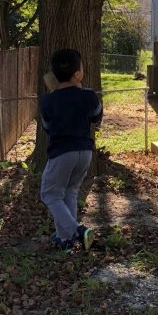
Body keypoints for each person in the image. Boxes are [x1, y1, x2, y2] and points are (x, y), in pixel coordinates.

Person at [39, 49, 103, 251]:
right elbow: (97, 118)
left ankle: (77, 231)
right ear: (78, 74)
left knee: (50, 194)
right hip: (84, 152)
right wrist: (82, 93)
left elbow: (47, 128)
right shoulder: (89, 96)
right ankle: (65, 240)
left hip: (61, 153)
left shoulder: (47, 101)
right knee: (70, 192)